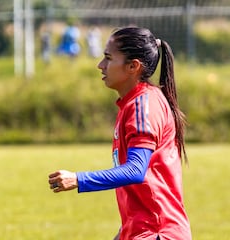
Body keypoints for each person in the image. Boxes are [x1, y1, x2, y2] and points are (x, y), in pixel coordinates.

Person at [48, 27, 192, 240]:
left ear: (133, 66)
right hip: (145, 231)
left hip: (157, 233)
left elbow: (136, 170)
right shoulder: (134, 104)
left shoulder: (143, 105)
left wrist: (78, 179)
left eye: (108, 58)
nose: (101, 65)